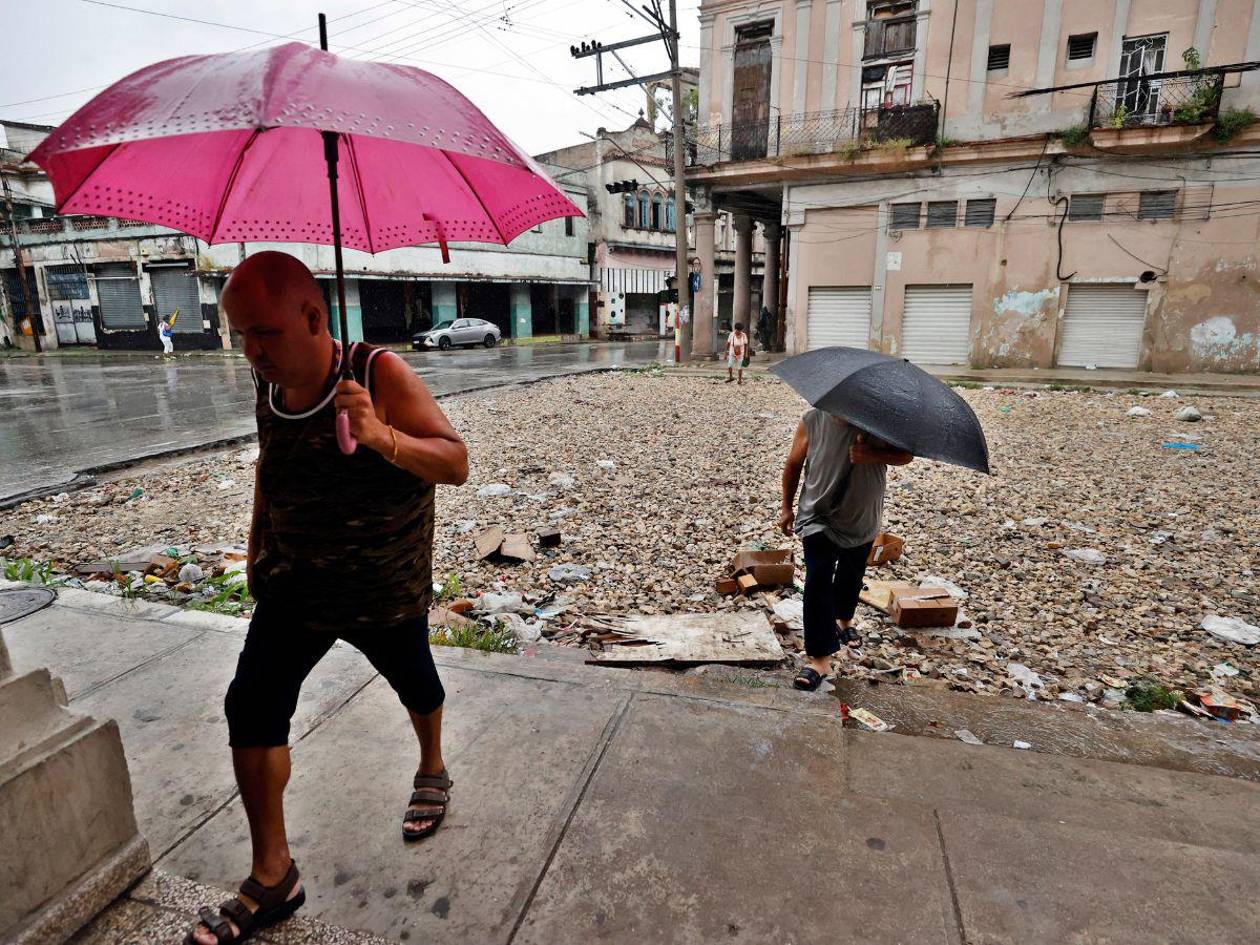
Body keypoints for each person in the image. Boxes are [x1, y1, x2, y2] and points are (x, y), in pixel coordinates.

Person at [186, 252, 469, 945]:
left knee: (416, 681)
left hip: (383, 586)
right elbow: (270, 466)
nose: (251, 351)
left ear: (314, 317)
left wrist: (379, 434)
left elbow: (456, 461)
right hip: (296, 587)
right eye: (240, 335)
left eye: (264, 333)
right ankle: (273, 872)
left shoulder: (379, 374)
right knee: (250, 702)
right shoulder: (271, 383)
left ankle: (432, 763)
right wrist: (258, 543)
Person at [779, 410, 912, 691]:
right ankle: (819, 657)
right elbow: (793, 464)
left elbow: (905, 456)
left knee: (851, 572)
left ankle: (843, 619)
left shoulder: (879, 424)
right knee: (818, 577)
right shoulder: (812, 421)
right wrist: (787, 508)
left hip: (862, 518)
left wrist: (873, 455)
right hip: (817, 515)